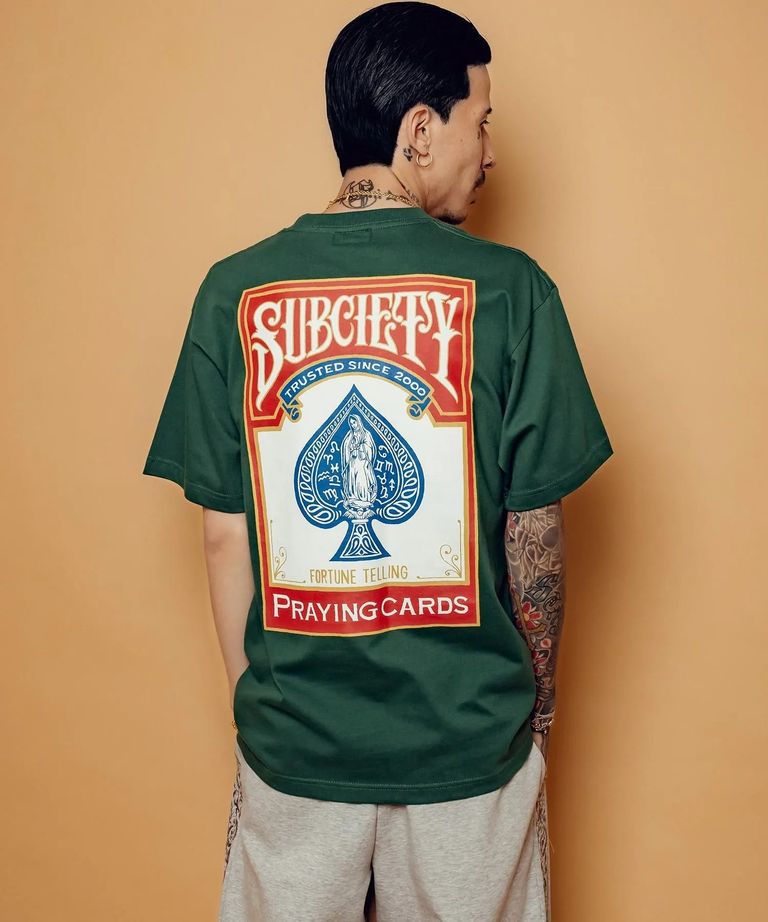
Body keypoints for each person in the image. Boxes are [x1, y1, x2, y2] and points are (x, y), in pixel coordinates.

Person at [141, 3, 614, 920]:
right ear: (420, 129)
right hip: (470, 750)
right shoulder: (512, 291)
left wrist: (264, 710)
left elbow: (224, 538)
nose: (490, 153)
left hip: (296, 751)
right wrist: (534, 718)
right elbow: (535, 535)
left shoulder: (233, 292)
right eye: (481, 122)